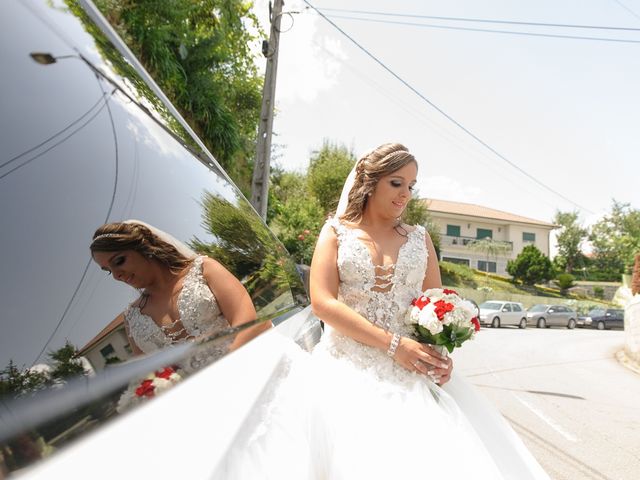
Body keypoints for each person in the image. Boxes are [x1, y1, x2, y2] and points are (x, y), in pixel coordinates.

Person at [306, 143, 506, 478]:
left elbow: (436, 306)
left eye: (411, 186)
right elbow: (322, 302)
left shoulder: (419, 239)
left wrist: (440, 358)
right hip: (346, 365)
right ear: (370, 183)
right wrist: (392, 345)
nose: (405, 195)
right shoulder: (335, 232)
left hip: (411, 370)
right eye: (396, 183)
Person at [90, 220, 263, 367]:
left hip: (246, 364)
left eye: (119, 261)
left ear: (144, 248)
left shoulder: (204, 270)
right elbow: (147, 374)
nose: (116, 275)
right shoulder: (132, 319)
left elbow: (246, 320)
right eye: (108, 270)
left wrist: (221, 373)